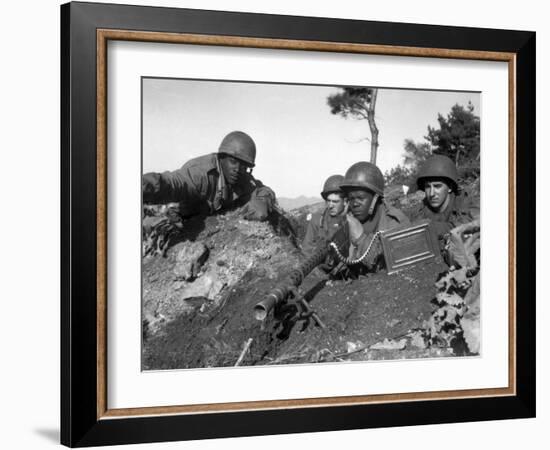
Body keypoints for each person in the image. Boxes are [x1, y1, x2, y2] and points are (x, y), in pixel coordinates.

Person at [142, 131, 275, 221]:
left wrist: (261, 202)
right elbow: (172, 183)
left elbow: (263, 190)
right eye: (233, 162)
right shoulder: (200, 174)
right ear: (221, 157)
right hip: (182, 220)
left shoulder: (241, 177)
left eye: (243, 166)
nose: (237, 170)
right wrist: (144, 186)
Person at [337, 161, 410, 272]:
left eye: (360, 198)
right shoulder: (350, 220)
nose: (355, 204)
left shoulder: (395, 222)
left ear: (375, 198)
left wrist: (361, 239)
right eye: (351, 198)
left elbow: (388, 265)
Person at [414, 155, 479, 239]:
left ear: (450, 187)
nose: (431, 193)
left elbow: (471, 223)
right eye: (428, 187)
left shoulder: (465, 202)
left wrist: (430, 228)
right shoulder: (421, 210)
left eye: (437, 186)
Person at [301, 175, 347, 257]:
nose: (330, 205)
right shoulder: (317, 220)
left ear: (345, 202)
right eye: (329, 201)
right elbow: (306, 250)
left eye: (335, 202)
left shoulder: (352, 222)